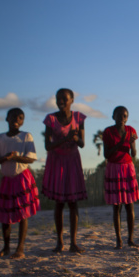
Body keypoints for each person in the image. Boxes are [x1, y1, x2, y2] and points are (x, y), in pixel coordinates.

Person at [42, 88, 87, 253]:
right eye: (58, 99)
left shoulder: (78, 118)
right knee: (59, 203)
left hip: (72, 161)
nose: (61, 101)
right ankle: (59, 242)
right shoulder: (51, 119)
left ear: (72, 100)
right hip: (57, 162)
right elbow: (47, 146)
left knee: (73, 202)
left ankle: (73, 242)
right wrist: (66, 139)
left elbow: (82, 143)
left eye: (64, 99)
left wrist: (75, 138)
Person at [0, 108, 40, 258]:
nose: (16, 120)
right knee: (6, 214)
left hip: (22, 177)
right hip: (7, 179)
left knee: (22, 213)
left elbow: (31, 158)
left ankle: (20, 248)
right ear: (7, 119)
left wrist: (15, 158)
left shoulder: (26, 136)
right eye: (13, 117)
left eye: (20, 118)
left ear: (23, 121)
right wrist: (6, 158)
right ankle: (6, 247)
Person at [102, 106, 139, 248]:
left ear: (127, 118)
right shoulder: (108, 131)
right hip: (114, 168)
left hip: (127, 167)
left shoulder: (131, 131)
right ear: (113, 117)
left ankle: (130, 239)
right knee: (116, 207)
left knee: (130, 205)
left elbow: (134, 153)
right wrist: (120, 142)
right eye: (119, 115)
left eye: (124, 116)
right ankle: (119, 240)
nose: (122, 118)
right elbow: (106, 154)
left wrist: (131, 143)